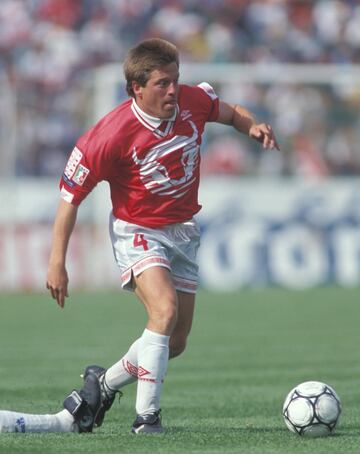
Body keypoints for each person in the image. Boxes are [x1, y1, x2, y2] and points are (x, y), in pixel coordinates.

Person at [0, 38, 279, 434]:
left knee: (174, 341)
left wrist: (252, 125)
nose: (173, 91)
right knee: (163, 311)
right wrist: (56, 262)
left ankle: (102, 386)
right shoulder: (108, 136)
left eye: (176, 81)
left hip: (183, 231)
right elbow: (69, 200)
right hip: (138, 231)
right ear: (137, 88)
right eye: (163, 83)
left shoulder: (191, 101)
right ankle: (147, 419)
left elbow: (229, 113)